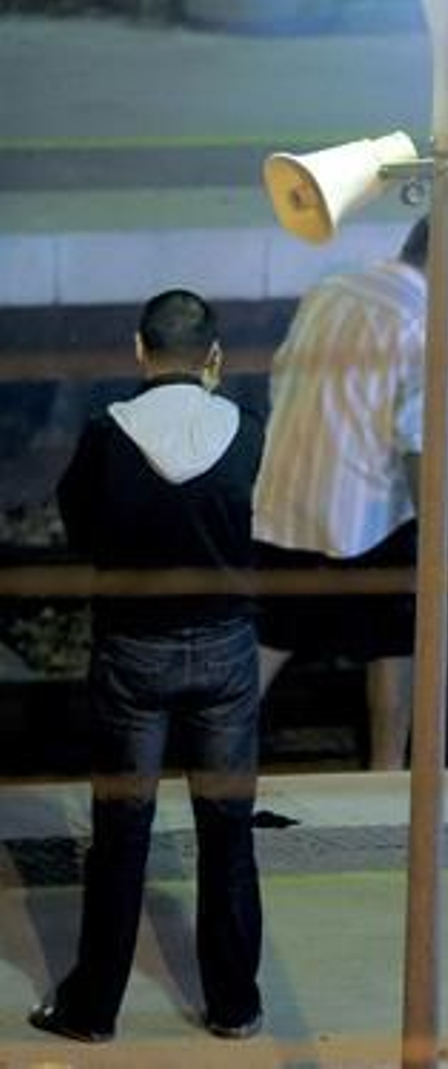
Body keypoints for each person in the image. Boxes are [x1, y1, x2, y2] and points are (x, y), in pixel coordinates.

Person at [32, 290, 266, 1043]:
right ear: (214, 356)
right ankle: (234, 1005)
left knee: (122, 832)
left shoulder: (108, 435)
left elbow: (80, 529)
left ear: (139, 349)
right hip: (227, 650)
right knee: (227, 832)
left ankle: (92, 1007)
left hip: (133, 651)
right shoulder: (246, 431)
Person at [252, 214, 448, 770]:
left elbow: (280, 375)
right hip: (364, 516)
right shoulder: (423, 324)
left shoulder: (329, 290)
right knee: (394, 646)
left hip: (284, 499)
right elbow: (416, 440)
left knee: (265, 642)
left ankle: (212, 763)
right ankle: (386, 777)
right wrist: (436, 533)